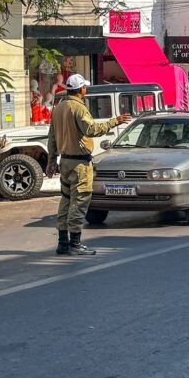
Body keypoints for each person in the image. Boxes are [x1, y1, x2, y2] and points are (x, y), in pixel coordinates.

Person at [46, 74, 131, 255]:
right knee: (79, 202)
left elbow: (51, 138)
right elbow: (91, 130)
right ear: (80, 90)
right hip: (80, 163)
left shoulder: (58, 108)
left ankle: (62, 243)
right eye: (84, 87)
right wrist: (114, 121)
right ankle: (75, 244)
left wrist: (51, 162)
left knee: (66, 201)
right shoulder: (79, 108)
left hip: (66, 162)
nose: (86, 89)